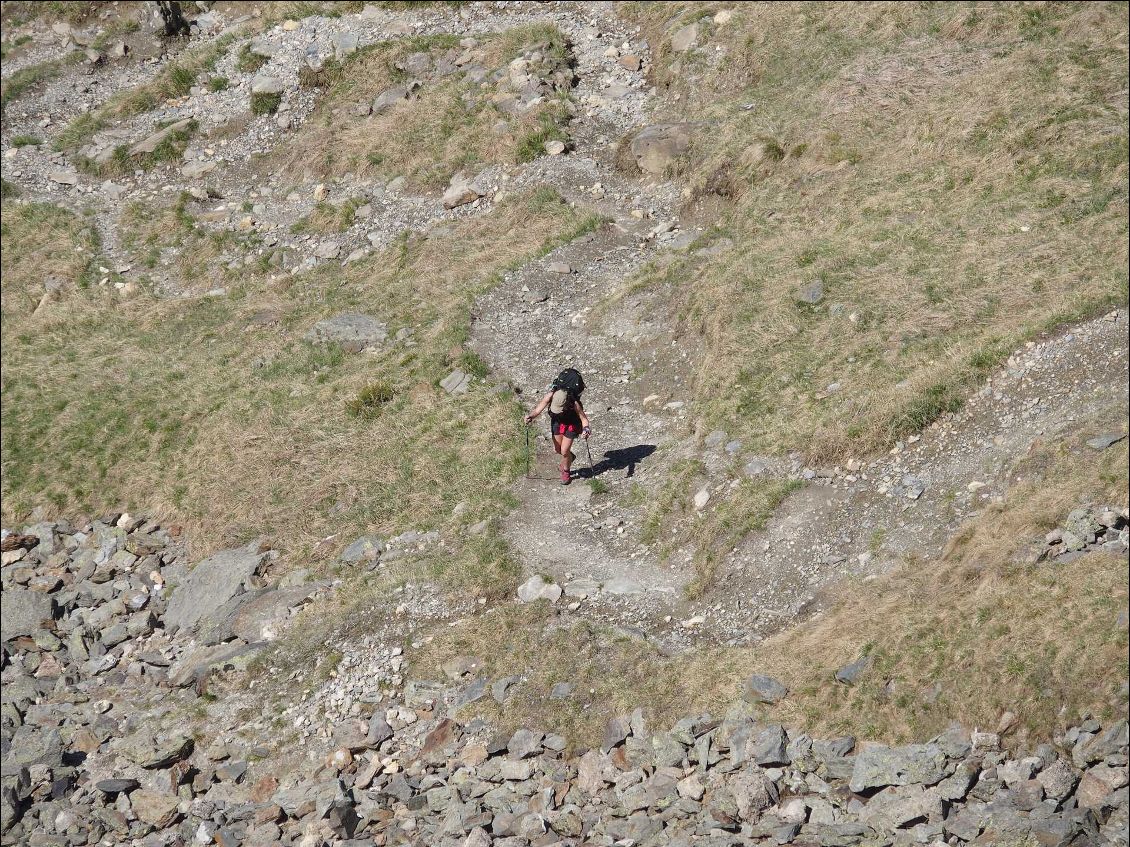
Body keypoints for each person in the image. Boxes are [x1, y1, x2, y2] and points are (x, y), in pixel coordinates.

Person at [524, 368, 591, 485]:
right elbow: (539, 408)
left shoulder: (574, 403)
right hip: (557, 422)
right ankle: (569, 457)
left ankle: (566, 471)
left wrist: (586, 429)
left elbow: (584, 419)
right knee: (557, 450)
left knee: (564, 451)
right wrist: (531, 416)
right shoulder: (551, 395)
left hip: (571, 424)